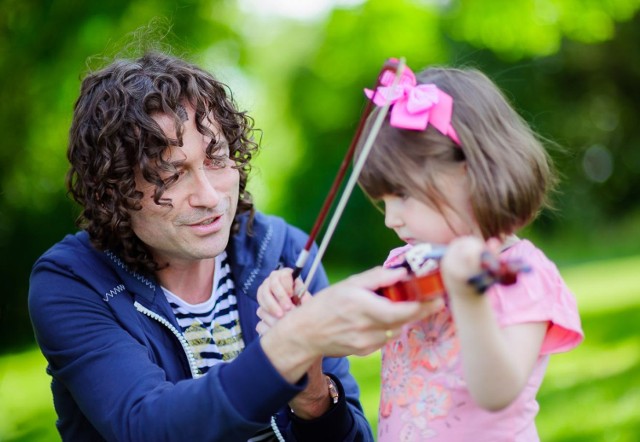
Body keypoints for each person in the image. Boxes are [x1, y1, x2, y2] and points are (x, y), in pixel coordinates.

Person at [27, 51, 431, 442]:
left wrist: (313, 398)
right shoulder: (71, 281)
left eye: (216, 158)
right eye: (170, 174)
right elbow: (147, 426)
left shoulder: (285, 250)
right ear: (113, 190)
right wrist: (292, 343)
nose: (208, 195)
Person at [257, 62, 584, 441]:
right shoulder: (407, 265)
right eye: (384, 201)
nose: (390, 220)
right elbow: (357, 334)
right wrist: (301, 315)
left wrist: (470, 299)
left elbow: (498, 393)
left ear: (470, 171)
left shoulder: (524, 273)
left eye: (404, 195)